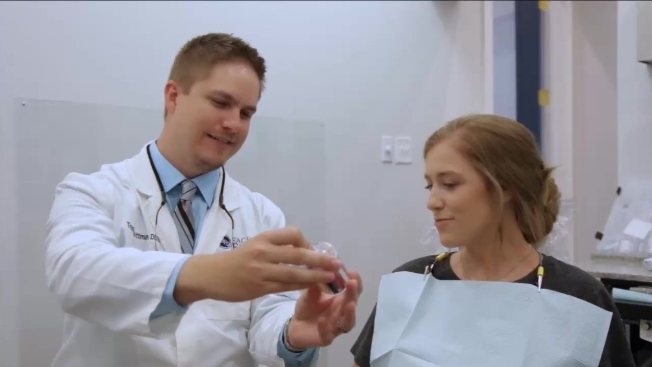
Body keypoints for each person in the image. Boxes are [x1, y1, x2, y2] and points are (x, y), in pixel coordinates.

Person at [45, 33, 362, 367]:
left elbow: (268, 318)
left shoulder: (262, 215)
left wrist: (292, 335)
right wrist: (207, 274)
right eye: (221, 102)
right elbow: (74, 273)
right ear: (173, 97)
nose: (233, 124)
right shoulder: (93, 192)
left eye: (246, 113)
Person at [350, 114, 635, 367]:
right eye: (429, 185)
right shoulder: (410, 284)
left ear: (507, 186)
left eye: (450, 184)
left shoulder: (579, 298)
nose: (432, 201)